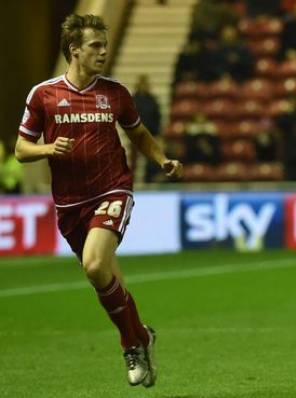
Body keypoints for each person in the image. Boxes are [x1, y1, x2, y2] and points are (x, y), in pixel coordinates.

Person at [14, 14, 183, 388]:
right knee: (105, 277)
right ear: (75, 50)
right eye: (95, 45)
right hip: (70, 204)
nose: (103, 51)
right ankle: (141, 336)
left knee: (94, 265)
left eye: (104, 45)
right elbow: (21, 149)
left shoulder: (116, 93)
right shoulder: (43, 94)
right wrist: (47, 148)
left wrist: (162, 160)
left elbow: (138, 134)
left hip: (112, 189)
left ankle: (129, 343)